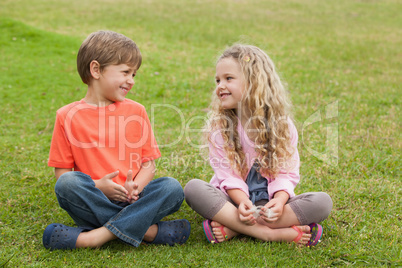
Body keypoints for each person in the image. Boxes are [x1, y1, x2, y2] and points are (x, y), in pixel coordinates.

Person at [43, 30, 190, 250]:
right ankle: (149, 231)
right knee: (67, 184)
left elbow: (148, 165)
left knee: (172, 188)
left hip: (136, 198)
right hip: (95, 197)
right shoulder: (66, 116)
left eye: (134, 74)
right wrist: (98, 186)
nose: (131, 81)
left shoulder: (136, 111)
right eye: (125, 72)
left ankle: (94, 238)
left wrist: (135, 189)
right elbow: (62, 174)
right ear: (96, 70)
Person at [184, 44, 332, 246]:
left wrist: (279, 203)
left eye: (228, 78)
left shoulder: (283, 127)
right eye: (218, 80)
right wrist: (242, 203)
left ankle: (234, 227)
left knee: (322, 202)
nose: (220, 86)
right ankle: (271, 233)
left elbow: (286, 174)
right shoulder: (220, 127)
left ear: (254, 82)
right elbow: (227, 175)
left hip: (269, 205)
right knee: (194, 189)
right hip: (234, 201)